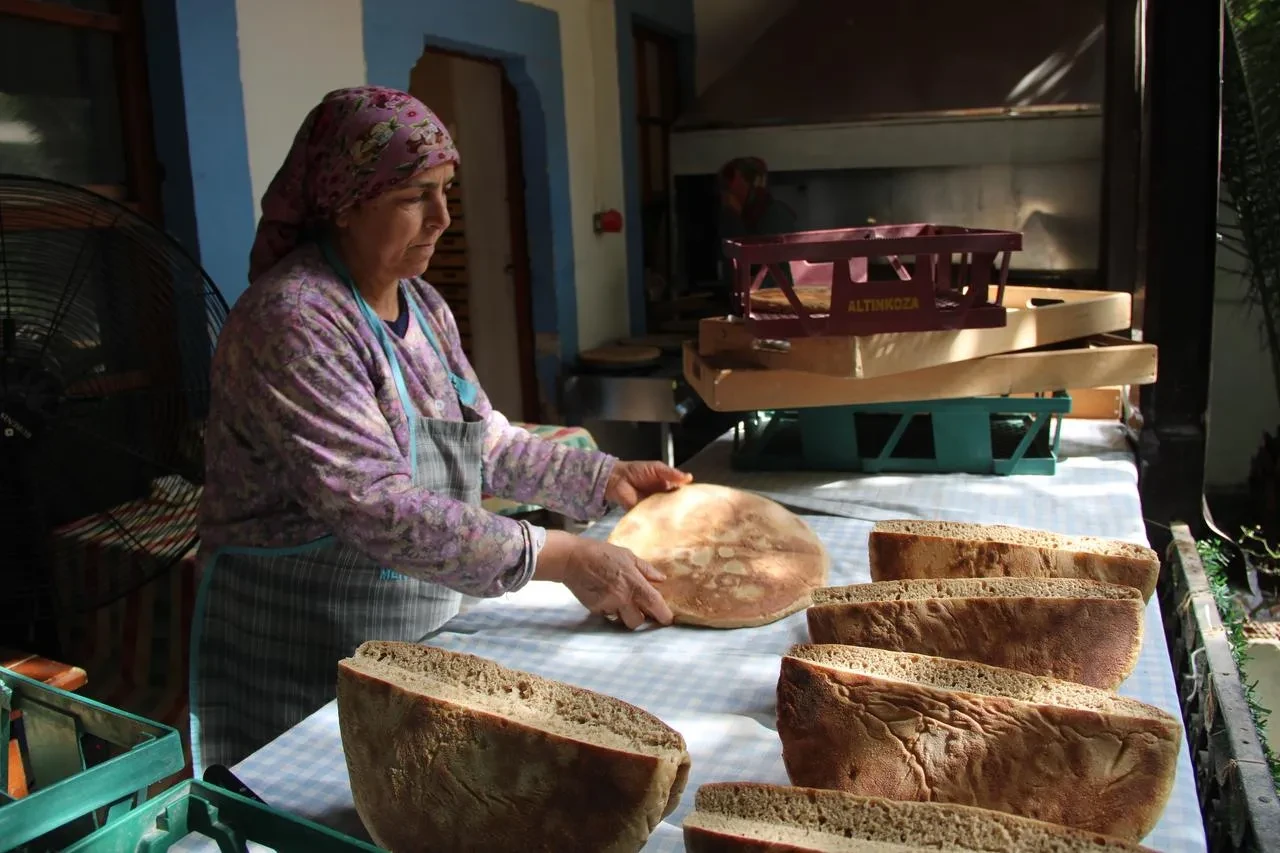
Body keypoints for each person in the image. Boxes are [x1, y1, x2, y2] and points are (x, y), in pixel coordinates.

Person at [191, 86, 691, 772]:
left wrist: (604, 477)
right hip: (300, 641)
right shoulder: (295, 320)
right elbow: (375, 503)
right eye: (414, 196)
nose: (443, 218)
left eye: (446, 190)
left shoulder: (422, 305)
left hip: (409, 626)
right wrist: (560, 556)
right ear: (344, 204)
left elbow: (483, 442)